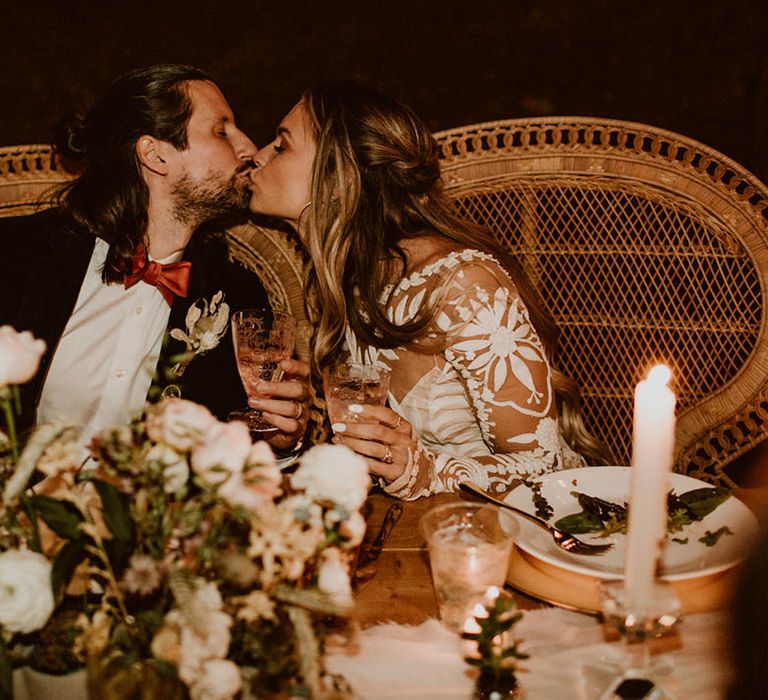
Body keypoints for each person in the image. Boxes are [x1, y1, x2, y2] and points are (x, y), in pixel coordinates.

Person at [247, 81, 603, 499]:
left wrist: (424, 471)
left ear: (337, 181)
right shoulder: (352, 280)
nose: (258, 154)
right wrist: (288, 441)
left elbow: (544, 466)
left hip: (531, 524)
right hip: (418, 528)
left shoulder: (463, 287)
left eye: (281, 145)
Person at [0, 64, 309, 454]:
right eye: (221, 131)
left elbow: (239, 452)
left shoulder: (238, 296)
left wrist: (278, 438)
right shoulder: (18, 254)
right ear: (156, 155)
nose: (248, 147)